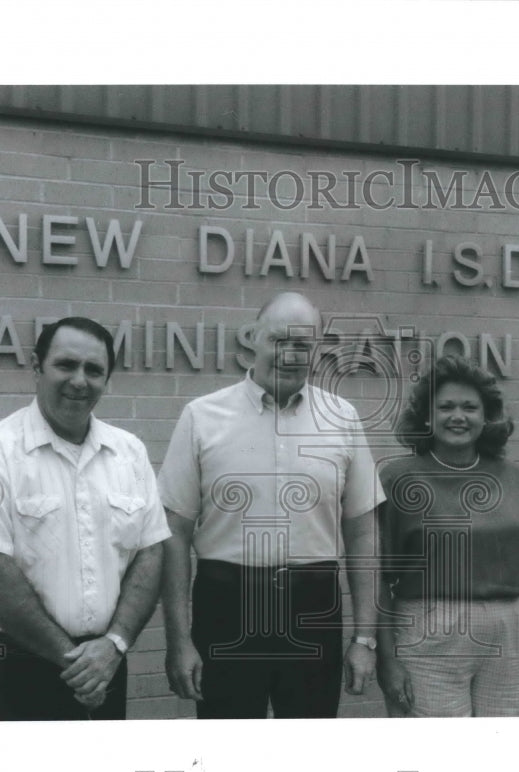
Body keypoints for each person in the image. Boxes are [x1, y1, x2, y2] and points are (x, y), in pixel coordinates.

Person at [157, 292, 385, 718]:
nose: (290, 353)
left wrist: (364, 638)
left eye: (303, 344)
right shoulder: (201, 417)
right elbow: (173, 533)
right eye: (279, 340)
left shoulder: (342, 418)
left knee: (308, 754)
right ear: (253, 340)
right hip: (227, 605)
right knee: (226, 753)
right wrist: (179, 639)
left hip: (313, 606)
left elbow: (364, 531)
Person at [0, 316, 169, 720]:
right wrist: (77, 662)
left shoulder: (130, 452)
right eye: (66, 365)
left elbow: (150, 552)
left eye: (94, 370)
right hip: (17, 667)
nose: (79, 381)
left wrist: (115, 644)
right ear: (37, 368)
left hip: (107, 663)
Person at [376, 355, 519, 717]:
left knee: (503, 751)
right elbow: (375, 577)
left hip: (508, 633)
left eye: (470, 407)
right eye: (446, 406)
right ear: (427, 416)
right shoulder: (397, 479)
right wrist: (388, 657)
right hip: (428, 631)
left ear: (486, 417)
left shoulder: (516, 480)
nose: (458, 416)